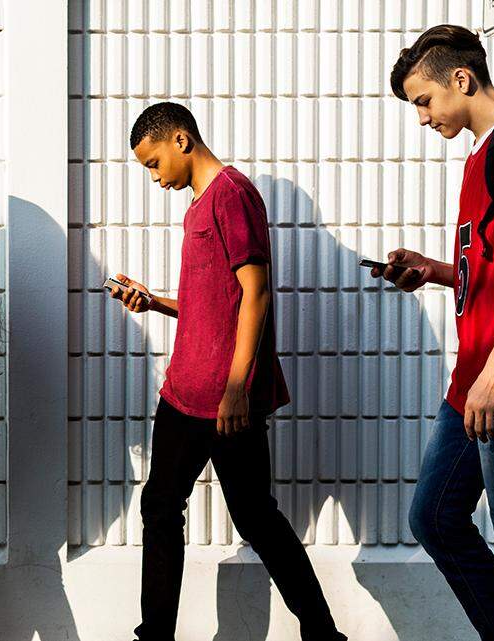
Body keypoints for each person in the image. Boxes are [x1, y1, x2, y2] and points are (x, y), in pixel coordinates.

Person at [113, 103, 346, 641]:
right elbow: (212, 303)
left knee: (256, 517)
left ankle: (323, 633)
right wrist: (154, 304)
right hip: (183, 393)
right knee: (160, 507)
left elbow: (257, 293)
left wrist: (239, 388)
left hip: (225, 399)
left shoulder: (232, 195)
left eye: (153, 164)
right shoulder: (197, 205)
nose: (154, 177)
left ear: (180, 140)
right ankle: (157, 634)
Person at [382, 24, 494, 641]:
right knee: (435, 518)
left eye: (424, 101)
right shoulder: (480, 153)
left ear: (461, 79)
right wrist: (436, 271)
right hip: (472, 380)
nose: (422, 117)